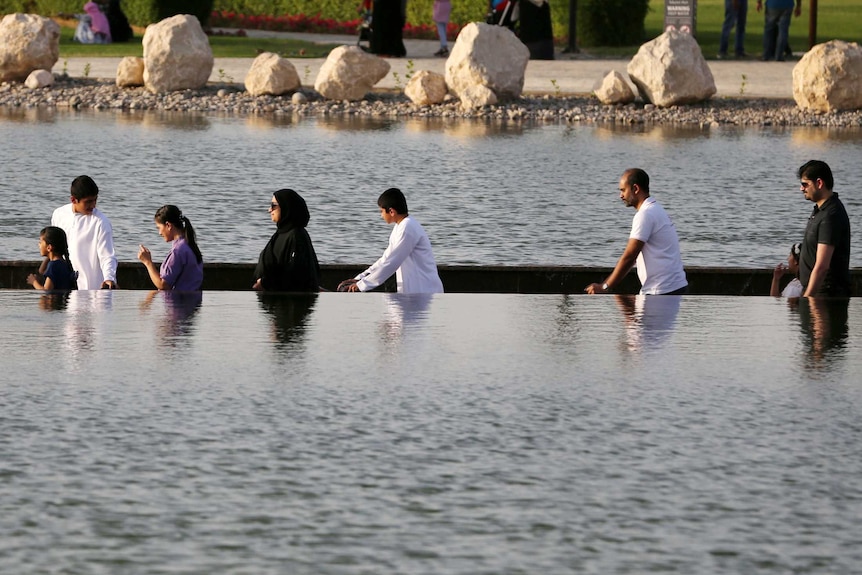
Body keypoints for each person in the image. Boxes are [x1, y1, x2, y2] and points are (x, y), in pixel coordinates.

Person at [584, 169, 688, 296]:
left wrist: (604, 287)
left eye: (623, 190)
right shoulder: (656, 209)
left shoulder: (645, 215)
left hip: (661, 291)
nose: (620, 196)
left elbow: (630, 256)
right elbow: (632, 258)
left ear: (635, 189)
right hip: (673, 288)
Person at [340, 188, 444, 294]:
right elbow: (385, 259)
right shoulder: (400, 226)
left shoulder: (408, 228)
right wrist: (360, 278)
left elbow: (391, 263)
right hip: (414, 293)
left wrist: (362, 285)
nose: (381, 215)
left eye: (381, 211)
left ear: (391, 211)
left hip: (425, 292)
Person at [48, 175, 117, 290]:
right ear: (73, 200)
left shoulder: (101, 222)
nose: (93, 205)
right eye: (88, 202)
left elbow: (107, 255)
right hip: (65, 286)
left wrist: (109, 278)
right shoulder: (58, 215)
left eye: (95, 200)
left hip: (92, 288)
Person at [797, 160, 851, 297]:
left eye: (805, 184)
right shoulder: (821, 211)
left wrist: (807, 298)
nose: (801, 188)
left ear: (819, 183)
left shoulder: (831, 215)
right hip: (816, 294)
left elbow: (822, 266)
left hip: (824, 298)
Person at [252, 189, 321, 292]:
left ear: (286, 207)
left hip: (289, 303)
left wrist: (265, 283)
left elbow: (296, 273)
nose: (269, 210)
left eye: (273, 205)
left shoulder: (296, 236)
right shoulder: (279, 235)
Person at [137, 205, 204, 291]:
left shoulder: (178, 251)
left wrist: (148, 262)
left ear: (168, 225)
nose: (159, 233)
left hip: (180, 302)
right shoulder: (189, 245)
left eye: (159, 228)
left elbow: (163, 285)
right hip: (192, 301)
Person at [26, 226, 78, 291]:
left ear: (49, 247)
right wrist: (50, 255)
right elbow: (42, 271)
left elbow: (47, 290)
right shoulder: (61, 263)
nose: (39, 245)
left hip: (55, 301)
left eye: (41, 242)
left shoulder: (54, 265)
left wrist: (34, 282)